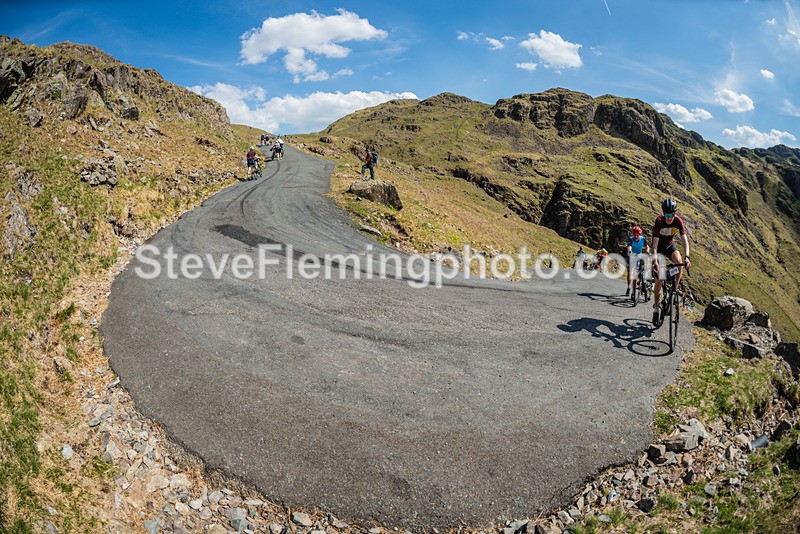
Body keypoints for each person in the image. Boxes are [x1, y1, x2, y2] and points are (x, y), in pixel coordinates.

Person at [651, 198, 691, 325]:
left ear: (675, 213)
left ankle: (675, 289)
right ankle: (656, 308)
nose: (669, 218)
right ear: (663, 213)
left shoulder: (678, 221)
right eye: (667, 215)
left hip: (670, 246)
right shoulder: (659, 221)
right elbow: (655, 244)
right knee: (659, 281)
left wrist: (687, 257)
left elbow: (684, 240)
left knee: (679, 263)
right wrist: (655, 260)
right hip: (660, 249)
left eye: (671, 214)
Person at [626, 226, 650, 296]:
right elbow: (629, 246)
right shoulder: (631, 239)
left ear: (640, 234)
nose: (636, 236)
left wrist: (647, 252)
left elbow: (647, 246)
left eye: (637, 235)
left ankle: (642, 281)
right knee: (630, 272)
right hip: (632, 256)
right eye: (635, 235)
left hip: (639, 255)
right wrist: (630, 251)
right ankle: (629, 287)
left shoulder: (643, 239)